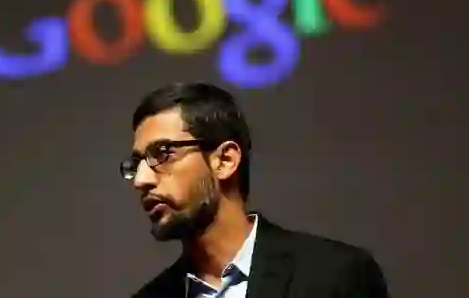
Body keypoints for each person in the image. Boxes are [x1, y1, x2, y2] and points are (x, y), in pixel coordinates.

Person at [120, 82, 389, 298]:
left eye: (163, 153)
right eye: (136, 164)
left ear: (225, 161)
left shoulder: (333, 277)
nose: (141, 180)